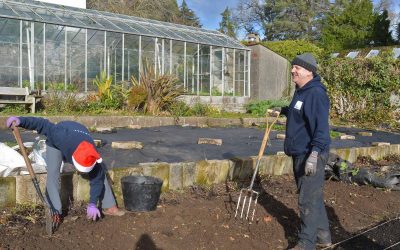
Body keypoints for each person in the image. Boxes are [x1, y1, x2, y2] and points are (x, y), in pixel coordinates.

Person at [6, 116, 125, 222]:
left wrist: (93, 203)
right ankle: (54, 211)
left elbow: (97, 180)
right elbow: (42, 124)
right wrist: (21, 120)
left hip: (79, 135)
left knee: (99, 173)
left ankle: (111, 206)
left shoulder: (92, 152)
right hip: (57, 143)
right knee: (53, 173)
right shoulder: (59, 134)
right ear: (73, 159)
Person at [281, 53, 332, 250]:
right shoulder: (301, 90)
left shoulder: (316, 93)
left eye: (297, 68)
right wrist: (283, 110)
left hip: (311, 153)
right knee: (313, 196)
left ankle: (306, 243)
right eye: (293, 66)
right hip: (299, 152)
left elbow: (321, 129)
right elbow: (300, 111)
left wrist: (314, 154)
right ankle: (323, 237)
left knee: (306, 201)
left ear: (309, 72)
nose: (293, 70)